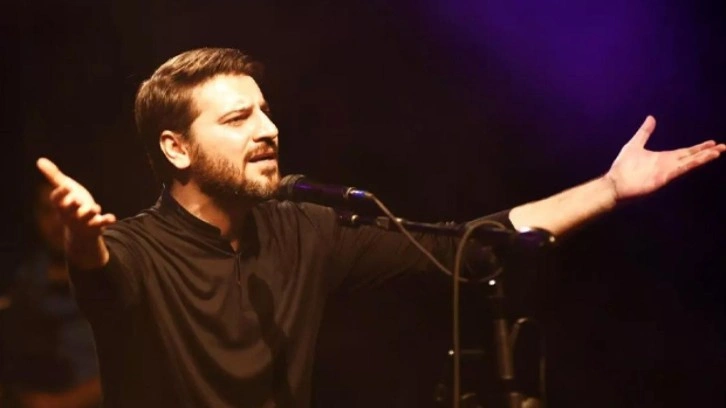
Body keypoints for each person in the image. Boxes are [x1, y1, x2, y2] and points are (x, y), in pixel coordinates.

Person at [34, 47, 724, 408]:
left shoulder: (304, 231)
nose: (269, 129)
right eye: (238, 119)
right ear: (176, 148)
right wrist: (82, 238)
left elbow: (465, 247)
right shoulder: (133, 250)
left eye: (266, 111)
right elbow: (102, 273)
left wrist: (610, 189)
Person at [0, 177, 102, 408]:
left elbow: (139, 362)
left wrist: (59, 404)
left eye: (64, 210)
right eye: (47, 211)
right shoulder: (28, 278)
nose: (56, 221)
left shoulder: (114, 272)